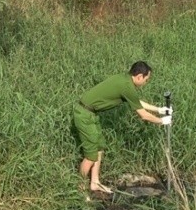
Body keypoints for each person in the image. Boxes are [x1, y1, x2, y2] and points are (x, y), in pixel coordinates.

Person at [73, 61, 172, 194]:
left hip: (90, 113)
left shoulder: (125, 79)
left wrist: (159, 109)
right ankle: (79, 190)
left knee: (99, 148)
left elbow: (136, 101)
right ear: (139, 77)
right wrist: (162, 121)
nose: (145, 83)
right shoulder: (126, 86)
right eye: (146, 80)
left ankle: (94, 183)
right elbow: (143, 115)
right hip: (84, 115)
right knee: (90, 156)